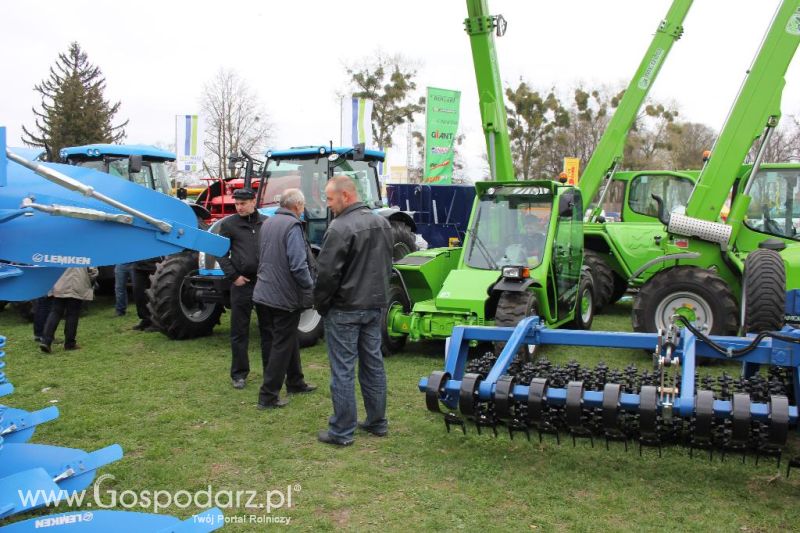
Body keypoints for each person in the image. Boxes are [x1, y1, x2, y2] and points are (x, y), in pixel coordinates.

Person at [313, 175, 394, 446]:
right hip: (373, 306)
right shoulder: (382, 223)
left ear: (346, 196)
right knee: (373, 365)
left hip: (345, 309)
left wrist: (321, 305)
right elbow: (387, 265)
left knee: (343, 370)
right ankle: (376, 421)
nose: (328, 204)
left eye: (330, 198)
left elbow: (326, 274)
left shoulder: (340, 228)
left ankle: (342, 431)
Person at [252, 188, 317, 409]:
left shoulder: (268, 223)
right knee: (281, 343)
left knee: (279, 340)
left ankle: (295, 381)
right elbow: (298, 265)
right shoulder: (293, 226)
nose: (304, 208)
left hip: (263, 293)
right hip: (283, 296)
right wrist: (311, 288)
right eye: (304, 204)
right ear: (297, 206)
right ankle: (268, 396)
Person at [217, 188, 266, 389]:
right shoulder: (228, 224)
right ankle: (239, 374)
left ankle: (271, 369)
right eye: (236, 204)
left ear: (253, 201)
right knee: (239, 331)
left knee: (268, 329)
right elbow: (221, 253)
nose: (239, 207)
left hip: (264, 284)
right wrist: (234, 276)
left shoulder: (266, 223)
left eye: (243, 203)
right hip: (242, 285)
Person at [39, 267, 97, 353]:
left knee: (55, 312)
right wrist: (89, 281)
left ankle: (46, 341)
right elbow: (92, 271)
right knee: (73, 313)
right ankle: (70, 343)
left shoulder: (59, 252)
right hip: (78, 283)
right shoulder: (86, 252)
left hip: (60, 283)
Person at [130, 258, 160, 331]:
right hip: (138, 264)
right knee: (139, 293)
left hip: (154, 263)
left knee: (156, 294)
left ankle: (157, 322)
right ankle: (146, 319)